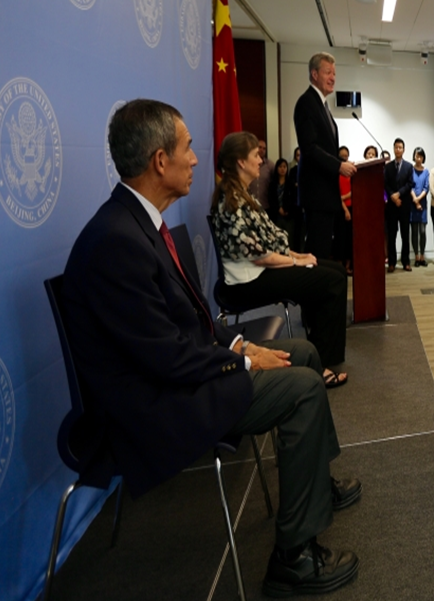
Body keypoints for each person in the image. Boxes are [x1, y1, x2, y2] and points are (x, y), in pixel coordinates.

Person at [64, 100, 360, 596]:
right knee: (306, 387)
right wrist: (242, 359)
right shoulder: (117, 241)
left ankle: (315, 486)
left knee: (305, 354)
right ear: (160, 161)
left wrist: (240, 343)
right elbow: (166, 357)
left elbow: (192, 321)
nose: (197, 159)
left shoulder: (137, 225)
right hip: (157, 405)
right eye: (187, 148)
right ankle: (293, 559)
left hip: (176, 376)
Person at [211, 131, 350, 383]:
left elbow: (272, 239)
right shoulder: (231, 202)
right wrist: (297, 261)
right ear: (241, 162)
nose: (261, 161)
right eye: (255, 155)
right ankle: (318, 365)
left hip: (260, 272)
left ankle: (324, 354)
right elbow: (260, 255)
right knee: (333, 282)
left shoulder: (244, 195)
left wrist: (300, 255)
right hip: (247, 283)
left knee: (337, 272)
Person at [294, 52, 355, 261]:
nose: (333, 78)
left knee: (323, 252)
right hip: (316, 194)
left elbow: (325, 147)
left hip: (326, 195)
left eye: (334, 73)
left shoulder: (323, 105)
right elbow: (309, 148)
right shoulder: (306, 103)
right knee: (316, 252)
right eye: (328, 72)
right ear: (314, 74)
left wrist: (342, 163)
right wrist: (339, 166)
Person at [384, 138, 414, 272]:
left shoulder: (408, 166)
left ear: (404, 150)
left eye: (400, 147)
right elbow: (386, 184)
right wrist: (393, 196)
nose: (398, 149)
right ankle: (392, 262)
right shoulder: (388, 166)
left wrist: (399, 194)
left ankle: (406, 262)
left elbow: (410, 184)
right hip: (392, 206)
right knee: (392, 235)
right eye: (396, 147)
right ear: (393, 149)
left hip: (404, 205)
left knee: (405, 234)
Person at [333, 146, 354, 274]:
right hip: (340, 209)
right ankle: (340, 265)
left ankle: (348, 265)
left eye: (346, 156)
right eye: (342, 156)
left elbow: (353, 191)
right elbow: (336, 193)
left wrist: (343, 197)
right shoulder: (336, 173)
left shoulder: (351, 173)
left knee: (350, 238)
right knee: (340, 238)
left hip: (352, 208)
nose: (344, 158)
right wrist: (345, 209)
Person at [409, 147, 430, 267]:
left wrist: (418, 200)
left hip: (422, 204)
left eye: (421, 156)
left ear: (423, 158)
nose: (418, 158)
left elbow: (426, 188)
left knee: (422, 231)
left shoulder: (426, 171)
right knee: (414, 231)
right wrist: (415, 200)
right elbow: (410, 186)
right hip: (412, 204)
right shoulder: (410, 170)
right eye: (417, 156)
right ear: (414, 156)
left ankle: (422, 256)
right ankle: (416, 257)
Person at [249, 138, 272, 208]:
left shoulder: (270, 165)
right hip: (251, 204)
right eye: (260, 147)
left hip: (266, 205)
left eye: (264, 148)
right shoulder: (249, 164)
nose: (262, 150)